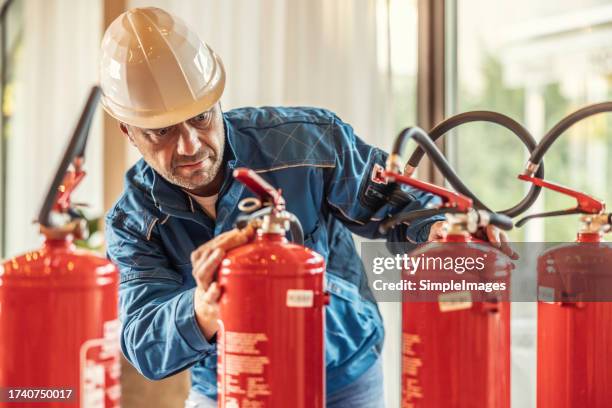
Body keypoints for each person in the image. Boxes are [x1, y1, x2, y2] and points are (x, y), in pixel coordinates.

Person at [101, 7, 512, 408]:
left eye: (201, 118)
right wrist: (205, 307)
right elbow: (143, 342)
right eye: (161, 132)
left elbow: (397, 205)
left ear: (217, 99)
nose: (190, 145)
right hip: (231, 382)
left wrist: (440, 229)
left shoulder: (305, 144)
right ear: (128, 131)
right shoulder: (135, 223)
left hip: (342, 371)